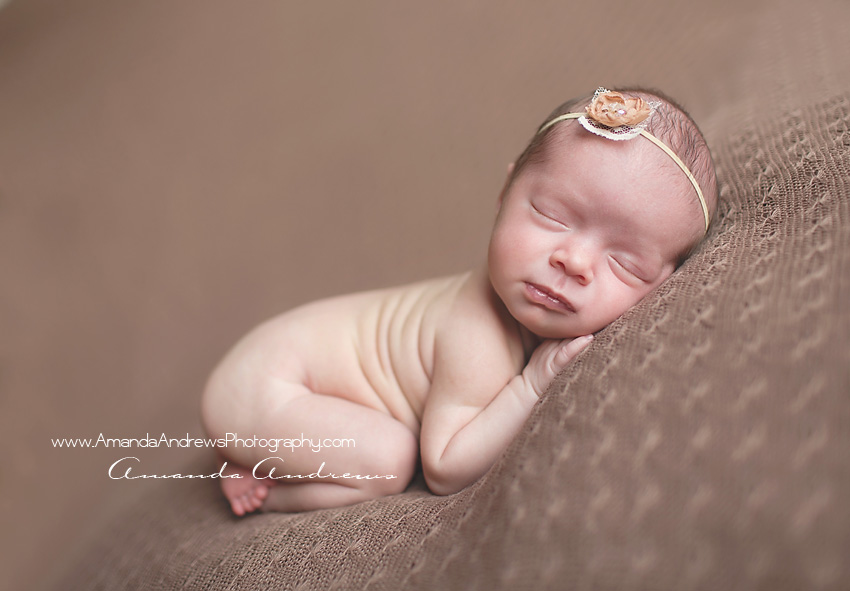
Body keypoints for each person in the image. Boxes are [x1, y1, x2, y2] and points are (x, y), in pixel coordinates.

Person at [201, 87, 718, 515]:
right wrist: (532, 384)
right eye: (553, 215)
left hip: (272, 376)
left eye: (625, 263)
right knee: (387, 460)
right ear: (504, 193)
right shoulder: (477, 334)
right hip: (268, 385)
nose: (574, 261)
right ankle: (263, 487)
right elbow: (445, 467)